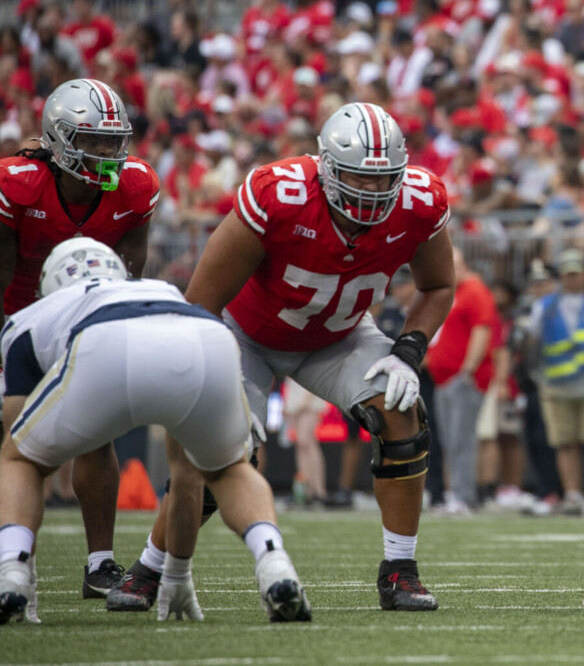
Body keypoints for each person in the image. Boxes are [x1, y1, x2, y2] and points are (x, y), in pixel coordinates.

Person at [109, 102, 453, 613]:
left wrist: (408, 351)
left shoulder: (420, 202)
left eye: (385, 181)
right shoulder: (280, 193)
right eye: (360, 177)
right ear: (327, 168)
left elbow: (439, 285)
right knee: (223, 449)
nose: (373, 192)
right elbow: (203, 300)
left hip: (338, 336)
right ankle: (151, 567)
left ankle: (400, 571)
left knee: (402, 412)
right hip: (244, 336)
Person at [0, 239, 310, 625]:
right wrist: (176, 574)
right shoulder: (157, 287)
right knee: (223, 470)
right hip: (205, 333)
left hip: (105, 341)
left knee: (18, 457)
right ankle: (273, 562)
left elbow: (16, 427)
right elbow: (184, 476)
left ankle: (12, 571)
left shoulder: (33, 315)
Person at [0, 78, 159, 600]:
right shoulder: (18, 183)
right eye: (91, 141)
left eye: (113, 141)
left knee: (96, 432)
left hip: (86, 316)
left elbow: (128, 278)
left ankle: (100, 563)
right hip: (15, 315)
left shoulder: (135, 188)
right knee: (15, 435)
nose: (106, 153)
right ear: (58, 138)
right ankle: (14, 557)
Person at [529, 249, 584, 516]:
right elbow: (531, 341)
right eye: (567, 274)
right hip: (556, 385)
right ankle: (573, 496)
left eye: (576, 274)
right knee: (565, 443)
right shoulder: (545, 306)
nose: (572, 279)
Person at [423, 248, 497, 514]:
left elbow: (482, 330)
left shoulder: (474, 290)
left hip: (462, 379)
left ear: (463, 266)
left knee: (462, 440)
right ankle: (456, 494)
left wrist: (467, 370)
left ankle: (464, 497)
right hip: (444, 379)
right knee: (450, 441)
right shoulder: (454, 292)